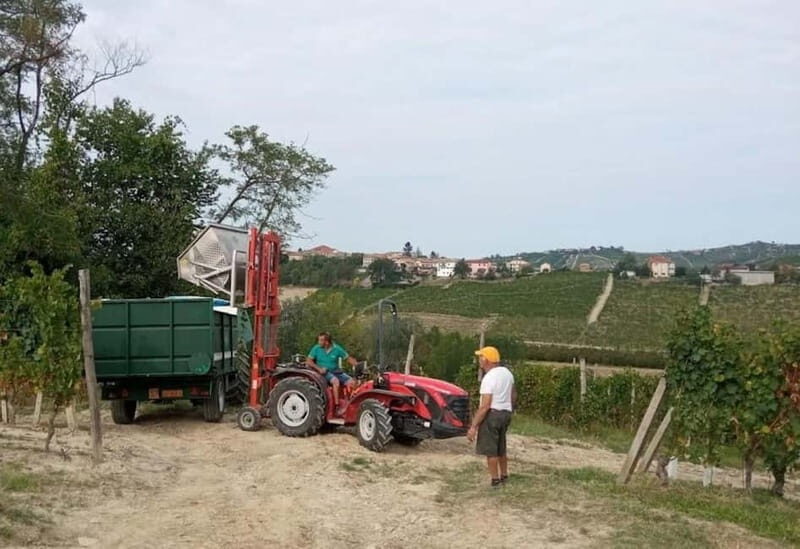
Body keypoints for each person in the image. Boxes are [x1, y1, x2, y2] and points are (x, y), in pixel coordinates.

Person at [467, 346, 516, 487]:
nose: (479, 360)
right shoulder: (507, 373)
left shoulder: (489, 378)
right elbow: (513, 394)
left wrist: (474, 426)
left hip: (492, 415)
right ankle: (504, 475)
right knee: (501, 447)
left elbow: (485, 405)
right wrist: (510, 408)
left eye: (481, 357)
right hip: (505, 413)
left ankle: (495, 480)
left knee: (491, 450)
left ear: (486, 360)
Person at [306, 332, 358, 415]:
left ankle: (350, 404)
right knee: (335, 381)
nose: (319, 342)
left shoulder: (337, 349)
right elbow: (308, 361)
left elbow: (348, 359)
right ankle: (337, 407)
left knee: (352, 382)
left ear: (327, 342)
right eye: (319, 340)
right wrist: (319, 369)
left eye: (321, 340)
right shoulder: (316, 348)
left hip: (336, 371)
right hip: (324, 372)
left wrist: (357, 365)